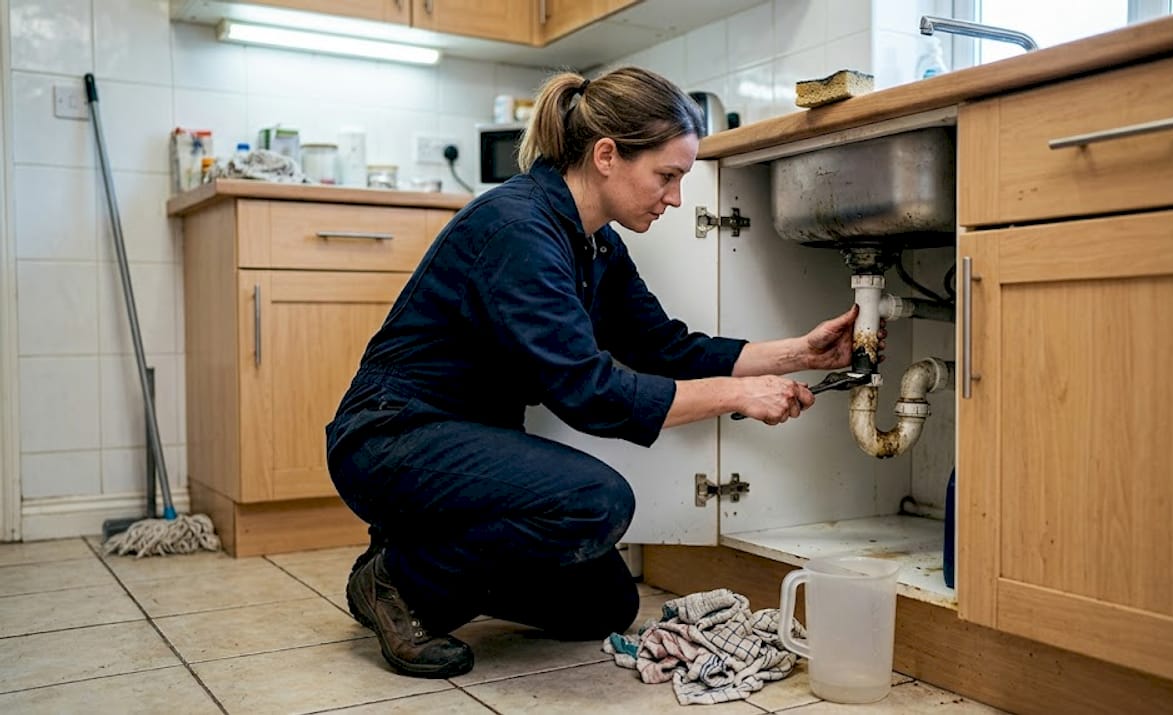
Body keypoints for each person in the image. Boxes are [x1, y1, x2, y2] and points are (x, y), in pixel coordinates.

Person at [325, 66, 885, 679]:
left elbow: (664, 346)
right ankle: (396, 582)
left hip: (463, 448)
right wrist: (738, 394)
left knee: (604, 605)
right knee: (596, 504)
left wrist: (799, 353)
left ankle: (422, 555)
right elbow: (590, 394)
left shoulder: (594, 242)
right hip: (391, 439)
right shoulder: (518, 230)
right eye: (666, 176)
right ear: (607, 155)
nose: (674, 197)